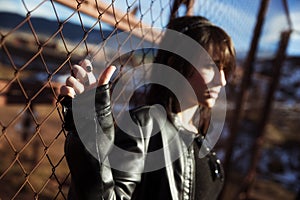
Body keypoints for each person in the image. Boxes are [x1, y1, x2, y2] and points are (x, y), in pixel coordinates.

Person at [59, 16, 236, 200]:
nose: (221, 81)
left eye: (225, 69)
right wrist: (91, 136)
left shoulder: (197, 136)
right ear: (176, 63)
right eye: (210, 66)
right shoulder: (146, 126)